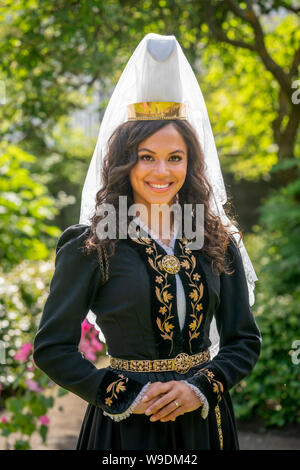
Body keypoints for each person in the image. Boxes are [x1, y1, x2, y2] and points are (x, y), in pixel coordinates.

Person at [33, 34, 262, 450]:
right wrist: (126, 397)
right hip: (125, 429)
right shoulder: (93, 245)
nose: (162, 170)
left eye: (175, 157)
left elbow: (243, 341)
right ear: (125, 160)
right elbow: (52, 348)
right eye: (147, 156)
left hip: (205, 425)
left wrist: (200, 388)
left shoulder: (215, 241)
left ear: (191, 163)